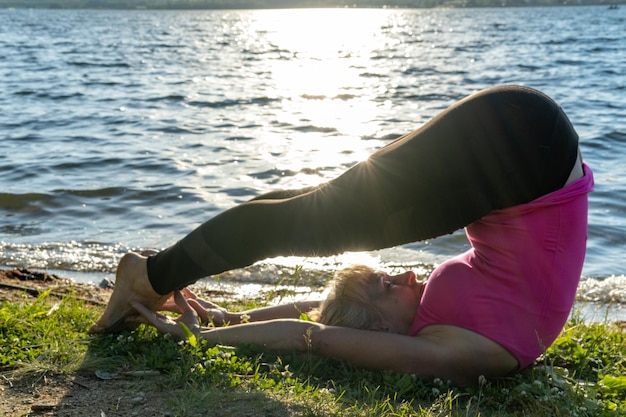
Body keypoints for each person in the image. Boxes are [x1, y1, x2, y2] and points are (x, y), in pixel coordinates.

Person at [89, 85, 593, 386]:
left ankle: (148, 275)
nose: (409, 274)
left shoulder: (430, 334)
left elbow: (315, 329)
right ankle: (148, 274)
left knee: (305, 212)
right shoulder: (457, 351)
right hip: (524, 153)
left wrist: (216, 326)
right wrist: (210, 332)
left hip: (525, 149)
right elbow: (320, 334)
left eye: (386, 284)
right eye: (389, 285)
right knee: (305, 217)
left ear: (377, 333)